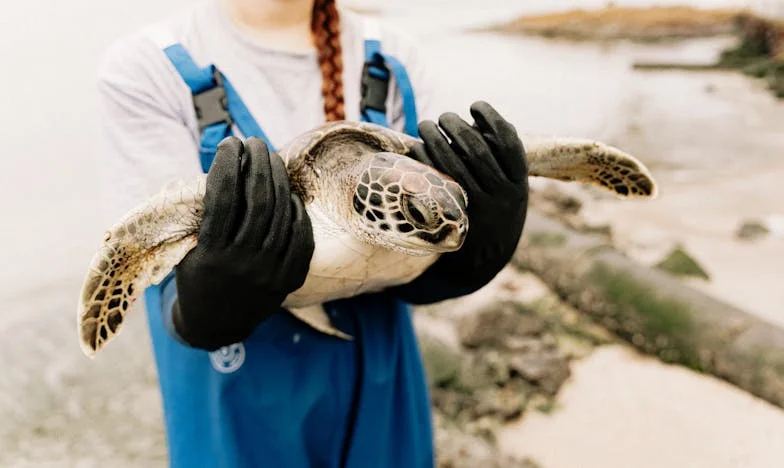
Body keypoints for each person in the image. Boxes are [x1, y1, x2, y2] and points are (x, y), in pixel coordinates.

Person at [96, 0, 529, 466]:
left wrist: (476, 250)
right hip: (238, 409)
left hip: (379, 392)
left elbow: (429, 227)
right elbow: (145, 249)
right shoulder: (150, 67)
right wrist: (200, 303)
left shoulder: (392, 54)